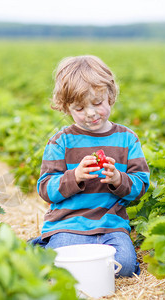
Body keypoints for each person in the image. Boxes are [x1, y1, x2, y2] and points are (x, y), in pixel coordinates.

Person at [30, 55, 150, 277]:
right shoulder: (60, 141)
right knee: (63, 268)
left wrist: (118, 179)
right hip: (68, 224)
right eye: (79, 108)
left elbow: (141, 185)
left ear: (110, 96)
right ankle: (42, 247)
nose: (91, 113)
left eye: (97, 103)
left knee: (123, 266)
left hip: (111, 226)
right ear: (66, 108)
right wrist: (74, 177)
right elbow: (45, 189)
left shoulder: (127, 139)